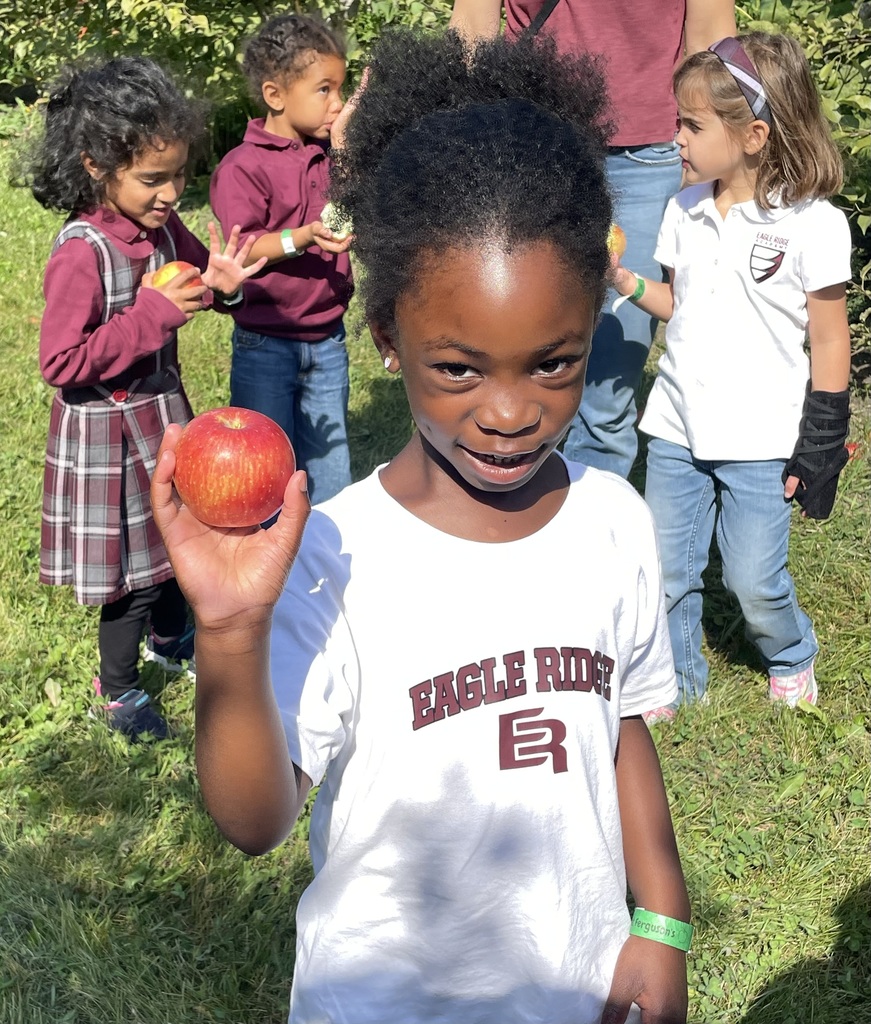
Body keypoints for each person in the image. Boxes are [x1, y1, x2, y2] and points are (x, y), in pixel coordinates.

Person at [153, 29, 693, 1024]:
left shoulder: (613, 519)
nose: (508, 410)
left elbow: (619, 727)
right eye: (459, 367)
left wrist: (660, 922)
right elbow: (256, 820)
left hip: (575, 990)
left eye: (553, 362)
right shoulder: (333, 553)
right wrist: (229, 634)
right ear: (389, 339)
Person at [611, 33, 852, 721]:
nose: (675, 138)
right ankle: (677, 682)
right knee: (666, 573)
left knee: (753, 580)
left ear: (752, 134)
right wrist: (626, 283)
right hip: (676, 427)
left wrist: (822, 435)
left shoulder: (813, 225)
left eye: (690, 125)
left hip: (760, 438)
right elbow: (676, 304)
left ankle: (789, 654)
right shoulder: (681, 211)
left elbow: (829, 337)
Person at [29, 56, 265, 740]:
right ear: (97, 166)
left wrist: (224, 285)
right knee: (131, 577)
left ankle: (171, 643)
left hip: (163, 416)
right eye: (152, 179)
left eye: (179, 176)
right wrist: (151, 315)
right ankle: (120, 687)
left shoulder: (162, 230)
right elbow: (62, 361)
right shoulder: (83, 250)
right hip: (106, 432)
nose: (170, 194)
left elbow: (200, 278)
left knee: (176, 541)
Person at [449, 0, 736, 478]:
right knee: (511, 356)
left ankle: (590, 538)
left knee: (608, 395)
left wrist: (715, 168)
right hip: (528, 145)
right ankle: (503, 517)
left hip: (648, 159)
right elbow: (471, 33)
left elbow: (712, 44)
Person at [210, 13, 354, 504]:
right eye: (324, 90)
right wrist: (306, 236)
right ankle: (272, 568)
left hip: (327, 339)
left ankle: (329, 551)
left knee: (330, 470)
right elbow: (246, 246)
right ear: (276, 96)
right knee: (265, 467)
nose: (336, 102)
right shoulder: (243, 168)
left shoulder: (329, 154)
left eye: (342, 89)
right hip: (266, 342)